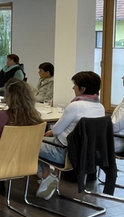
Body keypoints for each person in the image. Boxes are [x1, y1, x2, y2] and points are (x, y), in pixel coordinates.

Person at [35, 71, 105, 200]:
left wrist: (53, 131)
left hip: (63, 153)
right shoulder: (100, 107)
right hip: (85, 155)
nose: (73, 88)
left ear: (82, 88)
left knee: (29, 144)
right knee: (41, 141)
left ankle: (46, 176)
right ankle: (51, 176)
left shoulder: (75, 106)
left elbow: (56, 131)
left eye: (75, 85)